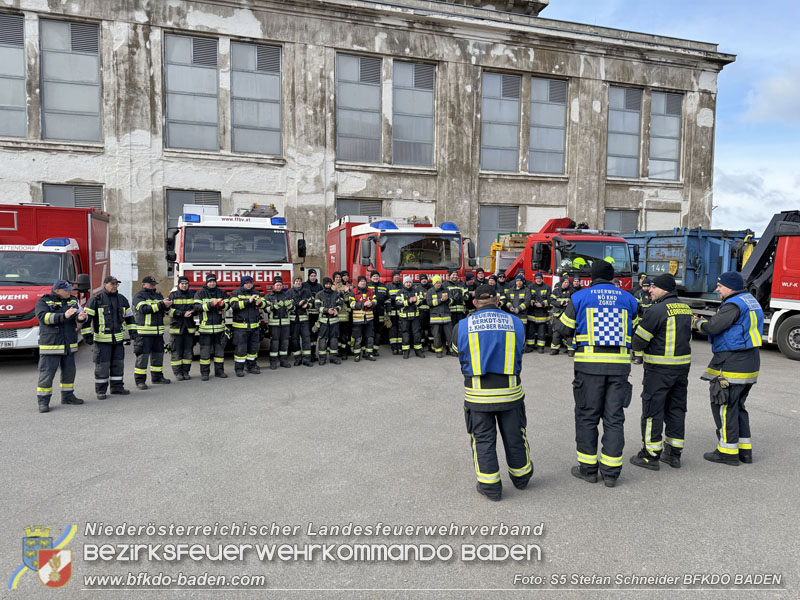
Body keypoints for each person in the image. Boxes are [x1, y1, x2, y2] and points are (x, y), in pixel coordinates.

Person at [556, 260, 638, 487]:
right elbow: (636, 327)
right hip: (620, 367)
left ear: (591, 277)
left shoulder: (580, 297)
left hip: (589, 367)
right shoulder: (628, 298)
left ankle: (589, 470)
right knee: (614, 418)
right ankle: (611, 473)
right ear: (612, 277)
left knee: (587, 417)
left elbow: (563, 328)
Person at [451, 284, 531, 501]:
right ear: (497, 300)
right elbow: (521, 347)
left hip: (478, 396)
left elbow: (455, 350)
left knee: (483, 440)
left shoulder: (463, 325)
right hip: (510, 393)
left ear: (475, 302)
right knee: (515, 436)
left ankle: (491, 488)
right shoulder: (516, 322)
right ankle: (522, 478)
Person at [693, 271, 763, 466]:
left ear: (730, 287)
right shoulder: (749, 300)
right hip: (750, 361)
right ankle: (744, 451)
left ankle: (727, 452)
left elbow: (713, 327)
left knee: (724, 405)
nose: (717, 289)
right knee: (738, 406)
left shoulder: (733, 304)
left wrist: (698, 322)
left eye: (720, 286)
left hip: (734, 361)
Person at [629, 274, 692, 470]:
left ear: (664, 289)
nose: (650, 290)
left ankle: (650, 455)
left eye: (654, 287)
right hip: (681, 369)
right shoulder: (686, 308)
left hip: (659, 370)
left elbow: (638, 340)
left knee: (652, 411)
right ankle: (673, 454)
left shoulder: (656, 310)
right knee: (676, 410)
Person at [35, 280, 88, 412]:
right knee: (47, 375)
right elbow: (43, 317)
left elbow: (78, 317)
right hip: (51, 345)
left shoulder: (72, 300)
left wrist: (81, 318)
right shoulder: (44, 301)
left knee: (69, 373)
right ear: (57, 290)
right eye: (66, 290)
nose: (69, 292)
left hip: (68, 344)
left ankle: (68, 396)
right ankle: (43, 402)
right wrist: (64, 315)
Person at [82, 275, 135, 397]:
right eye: (112, 284)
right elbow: (86, 319)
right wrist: (86, 335)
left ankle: (117, 388)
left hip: (118, 340)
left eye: (116, 284)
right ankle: (101, 391)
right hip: (102, 342)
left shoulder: (122, 299)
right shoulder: (96, 300)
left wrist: (133, 332)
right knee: (102, 367)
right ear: (105, 285)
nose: (115, 286)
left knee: (118, 365)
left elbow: (129, 317)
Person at [132, 276, 172, 389]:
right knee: (142, 358)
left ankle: (157, 377)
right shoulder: (139, 296)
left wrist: (167, 306)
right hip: (144, 334)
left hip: (158, 333)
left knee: (158, 356)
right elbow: (144, 309)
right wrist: (161, 305)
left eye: (154, 284)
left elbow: (162, 309)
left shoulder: (158, 295)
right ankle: (140, 381)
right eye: (151, 284)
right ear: (144, 284)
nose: (153, 286)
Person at [193, 273, 228, 381]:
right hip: (205, 329)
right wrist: (210, 304)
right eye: (210, 282)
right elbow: (197, 307)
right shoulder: (200, 293)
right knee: (205, 354)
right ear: (206, 282)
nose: (212, 283)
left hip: (219, 329)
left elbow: (228, 305)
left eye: (213, 281)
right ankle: (205, 373)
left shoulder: (221, 292)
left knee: (219, 353)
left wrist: (222, 305)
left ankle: (219, 371)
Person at [230, 275, 265, 376]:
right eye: (247, 283)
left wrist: (261, 303)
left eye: (250, 283)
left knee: (253, 349)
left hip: (254, 326)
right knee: (241, 349)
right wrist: (248, 301)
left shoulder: (256, 293)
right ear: (243, 283)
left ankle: (251, 366)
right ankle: (239, 369)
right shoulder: (235, 293)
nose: (249, 285)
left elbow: (264, 304)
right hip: (240, 328)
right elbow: (234, 306)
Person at [167, 275, 196, 381]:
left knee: (188, 351)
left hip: (189, 328)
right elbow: (168, 311)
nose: (184, 286)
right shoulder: (172, 296)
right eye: (182, 284)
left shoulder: (193, 295)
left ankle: (186, 372)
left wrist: (192, 312)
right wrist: (182, 314)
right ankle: (177, 373)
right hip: (177, 328)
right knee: (176, 351)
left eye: (186, 284)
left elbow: (197, 307)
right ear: (178, 285)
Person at [264, 276, 294, 369]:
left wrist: (290, 306)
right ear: (273, 286)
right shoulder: (268, 296)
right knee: (275, 343)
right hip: (274, 324)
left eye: (280, 285)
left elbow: (293, 308)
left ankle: (283, 361)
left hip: (285, 323)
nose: (279, 287)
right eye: (277, 285)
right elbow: (266, 309)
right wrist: (275, 307)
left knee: (285, 342)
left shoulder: (286, 295)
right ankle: (273, 362)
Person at [314, 277, 342, 365]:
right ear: (324, 284)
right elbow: (317, 306)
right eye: (326, 284)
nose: (328, 285)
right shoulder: (319, 294)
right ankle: (322, 358)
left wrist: (337, 309)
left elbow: (340, 303)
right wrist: (326, 310)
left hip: (334, 321)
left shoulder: (335, 293)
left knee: (334, 339)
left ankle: (333, 357)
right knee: (322, 339)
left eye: (329, 284)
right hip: (323, 321)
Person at [349, 275, 376, 362]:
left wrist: (371, 303)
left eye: (364, 281)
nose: (363, 283)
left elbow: (375, 300)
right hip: (358, 319)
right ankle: (357, 354)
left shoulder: (371, 291)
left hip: (369, 319)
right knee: (358, 338)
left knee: (370, 337)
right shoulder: (353, 291)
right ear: (358, 282)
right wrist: (362, 304)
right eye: (361, 281)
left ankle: (369, 354)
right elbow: (351, 304)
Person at [397, 275, 425, 359]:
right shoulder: (400, 292)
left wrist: (415, 301)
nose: (408, 284)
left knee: (417, 334)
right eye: (406, 282)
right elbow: (398, 303)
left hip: (415, 317)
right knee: (405, 334)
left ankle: (418, 351)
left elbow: (421, 302)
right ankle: (406, 352)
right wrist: (409, 301)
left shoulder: (416, 291)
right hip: (404, 318)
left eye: (410, 282)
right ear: (404, 283)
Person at [289, 276, 313, 366]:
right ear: (293, 282)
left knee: (306, 339)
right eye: (296, 281)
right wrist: (297, 305)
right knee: (294, 340)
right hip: (294, 320)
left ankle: (306, 359)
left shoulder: (307, 291)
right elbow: (288, 305)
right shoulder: (289, 293)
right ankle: (297, 359)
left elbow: (312, 302)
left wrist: (307, 305)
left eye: (299, 281)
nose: (298, 283)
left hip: (304, 320)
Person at [426, 275, 452, 358]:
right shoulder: (430, 291)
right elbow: (429, 303)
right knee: (437, 335)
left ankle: (451, 349)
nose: (438, 284)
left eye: (439, 282)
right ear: (434, 283)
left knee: (449, 334)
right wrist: (440, 300)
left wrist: (447, 299)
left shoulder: (446, 289)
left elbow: (452, 301)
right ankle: (438, 351)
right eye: (437, 283)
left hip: (446, 317)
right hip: (435, 318)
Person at [549, 273, 574, 356]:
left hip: (567, 315)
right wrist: (560, 303)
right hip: (557, 315)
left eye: (567, 282)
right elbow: (551, 300)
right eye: (565, 282)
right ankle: (554, 349)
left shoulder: (571, 290)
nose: (566, 284)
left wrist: (569, 304)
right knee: (556, 332)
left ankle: (570, 349)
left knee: (568, 332)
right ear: (561, 282)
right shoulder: (556, 290)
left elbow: (574, 301)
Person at [527, 272, 551, 353]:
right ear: (535, 279)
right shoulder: (530, 287)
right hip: (532, 313)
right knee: (531, 332)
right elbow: (528, 298)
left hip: (542, 314)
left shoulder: (547, 287)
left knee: (541, 333)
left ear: (542, 279)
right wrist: (534, 303)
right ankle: (530, 346)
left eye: (540, 278)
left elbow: (550, 299)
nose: (538, 280)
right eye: (537, 278)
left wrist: (542, 304)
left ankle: (541, 347)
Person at [368, 270, 389, 356]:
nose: (375, 278)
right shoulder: (367, 286)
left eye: (377, 276)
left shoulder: (384, 287)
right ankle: (368, 349)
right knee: (369, 332)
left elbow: (387, 299)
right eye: (374, 276)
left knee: (378, 332)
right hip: (369, 313)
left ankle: (375, 349)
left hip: (380, 313)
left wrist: (388, 310)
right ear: (370, 278)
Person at [632, 277, 654, 365]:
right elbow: (635, 307)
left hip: (650, 319)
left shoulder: (652, 294)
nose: (645, 288)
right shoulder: (638, 294)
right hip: (639, 319)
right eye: (644, 286)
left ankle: (646, 356)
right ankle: (637, 357)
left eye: (647, 286)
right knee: (638, 337)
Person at [304, 269, 323, 361]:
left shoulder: (319, 286)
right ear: (308, 276)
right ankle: (307, 355)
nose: (313, 277)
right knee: (307, 335)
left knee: (315, 334)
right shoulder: (304, 286)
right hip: (307, 314)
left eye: (314, 276)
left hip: (316, 314)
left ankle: (313, 354)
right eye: (311, 276)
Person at [333, 271, 352, 360]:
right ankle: (337, 351)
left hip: (344, 315)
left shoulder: (345, 287)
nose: (338, 279)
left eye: (339, 277)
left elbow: (348, 300)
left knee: (344, 335)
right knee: (336, 335)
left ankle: (344, 352)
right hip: (334, 315)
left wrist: (346, 293)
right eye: (336, 277)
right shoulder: (331, 287)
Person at [386, 270, 404, 355]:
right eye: (395, 276)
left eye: (398, 275)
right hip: (392, 312)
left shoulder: (403, 286)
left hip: (401, 311)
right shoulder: (388, 286)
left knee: (401, 329)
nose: (397, 277)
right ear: (392, 277)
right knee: (392, 329)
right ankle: (394, 347)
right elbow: (387, 299)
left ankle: (400, 347)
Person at [416, 274, 433, 349]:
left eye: (425, 279)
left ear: (427, 279)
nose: (424, 280)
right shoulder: (417, 288)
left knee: (431, 329)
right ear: (420, 280)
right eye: (422, 279)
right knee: (420, 328)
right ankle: (422, 344)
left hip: (430, 311)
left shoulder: (432, 287)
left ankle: (431, 345)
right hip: (421, 312)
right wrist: (423, 297)